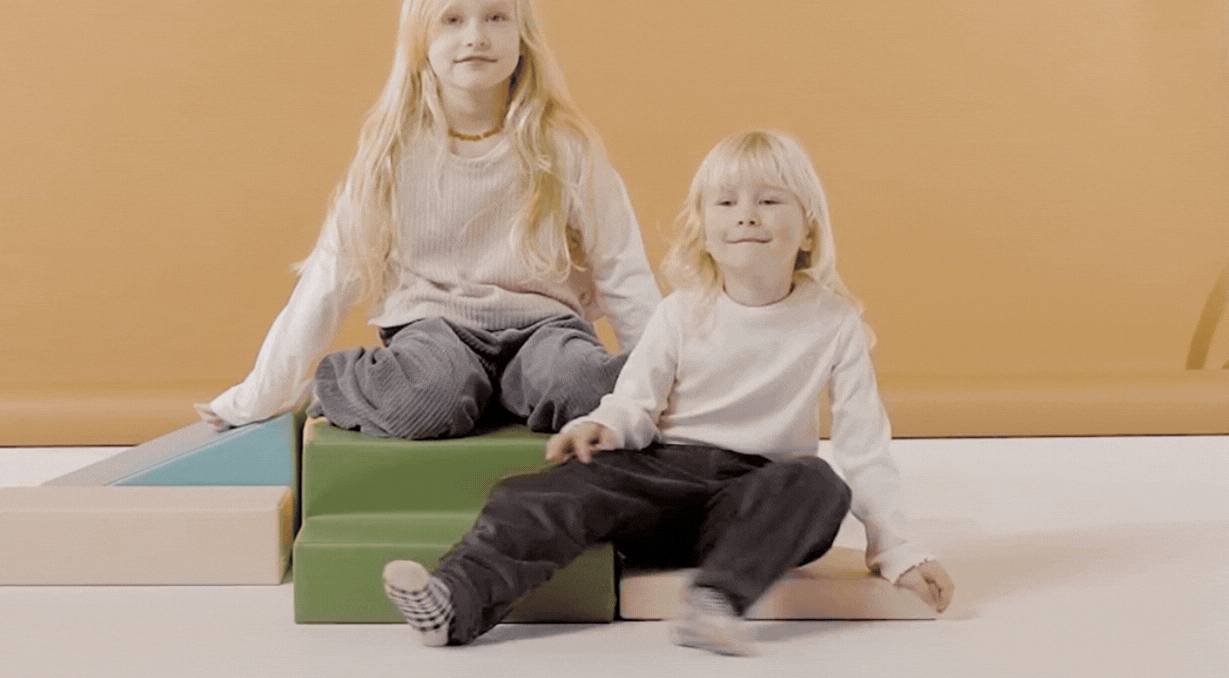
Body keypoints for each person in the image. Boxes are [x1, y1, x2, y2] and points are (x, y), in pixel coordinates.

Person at [382, 129, 955, 653]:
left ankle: (716, 602)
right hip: (661, 477)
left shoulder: (834, 322)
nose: (746, 216)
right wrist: (603, 426)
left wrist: (897, 552)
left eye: (769, 200)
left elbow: (864, 447)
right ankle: (454, 602)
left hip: (754, 496)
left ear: (808, 228)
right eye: (725, 204)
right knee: (541, 493)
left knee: (819, 483)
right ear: (704, 232)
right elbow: (635, 400)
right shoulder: (681, 311)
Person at [196, 0, 662, 439]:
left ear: (523, 35)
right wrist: (261, 393)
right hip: (435, 333)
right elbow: (330, 276)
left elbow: (622, 267)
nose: (476, 36)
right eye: (452, 20)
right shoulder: (393, 153)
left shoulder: (564, 145)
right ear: (421, 41)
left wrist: (658, 392)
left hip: (544, 329)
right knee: (429, 398)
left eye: (496, 18)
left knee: (585, 384)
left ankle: (505, 393)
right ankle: (351, 384)